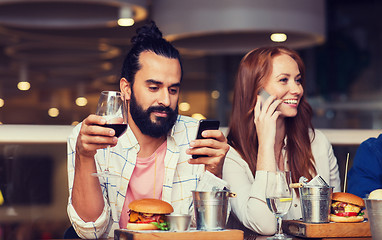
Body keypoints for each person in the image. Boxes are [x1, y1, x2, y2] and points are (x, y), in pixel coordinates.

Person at [66, 21, 229, 239]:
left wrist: (214, 173)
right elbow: (91, 231)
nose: (165, 100)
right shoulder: (90, 138)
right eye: (154, 87)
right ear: (126, 89)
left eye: (173, 89)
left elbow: (206, 232)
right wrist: (85, 156)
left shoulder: (196, 138)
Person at [222, 46, 341, 235]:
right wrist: (266, 145)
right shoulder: (231, 156)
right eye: (283, 80)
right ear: (256, 91)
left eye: (298, 80)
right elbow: (265, 226)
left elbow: (335, 216)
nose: (297, 90)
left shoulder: (318, 142)